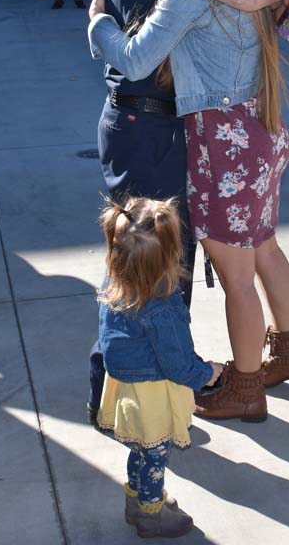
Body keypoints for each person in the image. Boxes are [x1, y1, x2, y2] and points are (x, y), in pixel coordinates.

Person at [89, 0, 289, 423]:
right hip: (263, 132)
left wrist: (96, 20)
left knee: (236, 276)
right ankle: (288, 349)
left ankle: (245, 388)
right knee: (264, 248)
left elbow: (137, 57)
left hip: (225, 144)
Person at [94, 197, 223, 539]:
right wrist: (207, 372)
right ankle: (152, 515)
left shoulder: (114, 287)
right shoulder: (162, 308)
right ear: (170, 256)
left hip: (126, 387)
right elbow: (178, 365)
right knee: (155, 457)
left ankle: (136, 502)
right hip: (152, 394)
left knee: (140, 449)